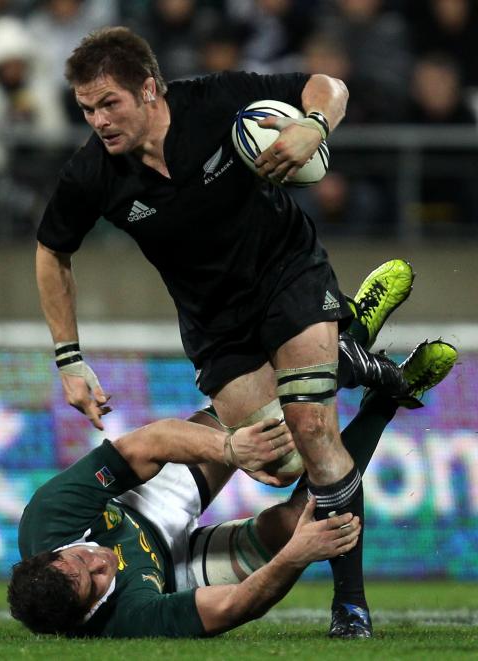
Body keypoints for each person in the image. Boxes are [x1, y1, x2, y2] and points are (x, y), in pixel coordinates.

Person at [35, 26, 413, 637]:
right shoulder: (92, 176)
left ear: (150, 89)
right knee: (282, 464)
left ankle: (350, 603)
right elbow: (52, 252)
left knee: (313, 426)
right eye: (86, 109)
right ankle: (345, 355)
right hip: (215, 323)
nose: (99, 120)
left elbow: (329, 86)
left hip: (285, 270)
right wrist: (69, 358)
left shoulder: (212, 100)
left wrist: (314, 123)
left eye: (110, 103)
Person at [7, 336, 457, 638]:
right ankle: (385, 400)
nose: (100, 558)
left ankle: (340, 338)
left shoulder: (49, 516)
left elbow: (147, 443)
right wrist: (295, 554)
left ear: (51, 552)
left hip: (143, 506)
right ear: (83, 614)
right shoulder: (124, 619)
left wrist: (230, 449)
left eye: (79, 556)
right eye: (96, 579)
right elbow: (233, 607)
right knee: (303, 519)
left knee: (253, 423)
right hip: (172, 574)